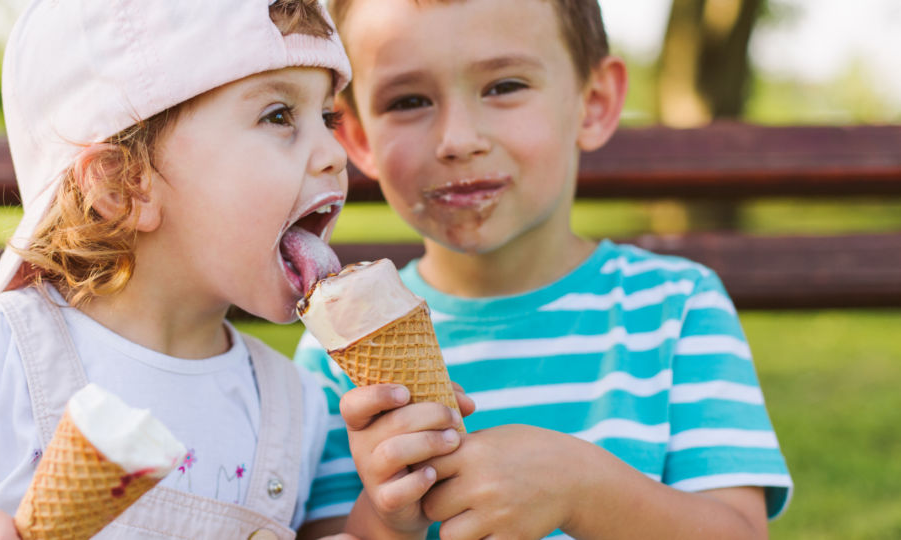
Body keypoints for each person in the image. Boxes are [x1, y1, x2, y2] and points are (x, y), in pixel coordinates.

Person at [0, 1, 455, 538]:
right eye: (279, 116)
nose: (332, 154)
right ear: (126, 187)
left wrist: (385, 517)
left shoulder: (290, 403)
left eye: (328, 117)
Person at [293, 0, 794, 538]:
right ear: (359, 138)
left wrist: (584, 489)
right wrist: (387, 521)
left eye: (504, 86)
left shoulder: (677, 308)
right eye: (408, 100)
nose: (458, 140)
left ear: (594, 103)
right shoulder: (338, 354)